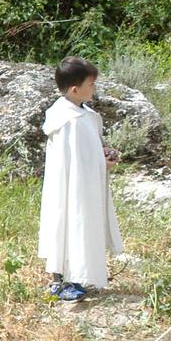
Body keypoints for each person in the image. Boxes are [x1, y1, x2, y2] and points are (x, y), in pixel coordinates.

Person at [38, 56, 124, 302]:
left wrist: (103, 154)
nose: (94, 89)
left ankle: (76, 276)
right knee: (67, 223)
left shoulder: (83, 114)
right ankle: (62, 281)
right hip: (70, 187)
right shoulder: (67, 120)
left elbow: (88, 151)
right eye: (91, 85)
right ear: (75, 89)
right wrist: (101, 162)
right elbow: (71, 159)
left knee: (79, 225)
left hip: (83, 186)